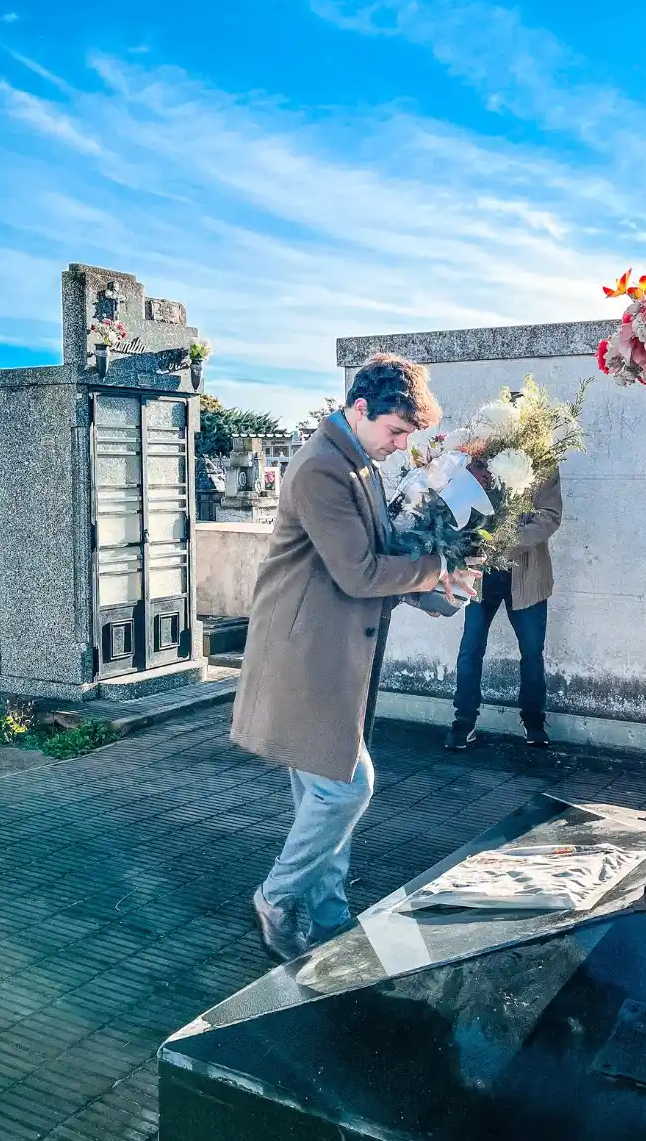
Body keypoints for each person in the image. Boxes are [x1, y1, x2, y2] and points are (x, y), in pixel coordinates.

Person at [231, 353, 477, 962]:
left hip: (329, 651)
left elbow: (379, 553)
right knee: (345, 789)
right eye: (395, 431)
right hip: (305, 655)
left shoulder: (356, 460)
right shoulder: (321, 467)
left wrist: (435, 580)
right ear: (359, 408)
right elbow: (360, 570)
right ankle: (277, 895)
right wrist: (434, 571)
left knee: (323, 792)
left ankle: (329, 914)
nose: (400, 445)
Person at [445, 452, 562, 751]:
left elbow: (550, 515)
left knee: (532, 652)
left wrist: (504, 543)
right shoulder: (477, 458)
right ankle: (464, 721)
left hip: (527, 574)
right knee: (470, 648)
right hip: (481, 574)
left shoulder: (544, 459)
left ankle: (534, 720)